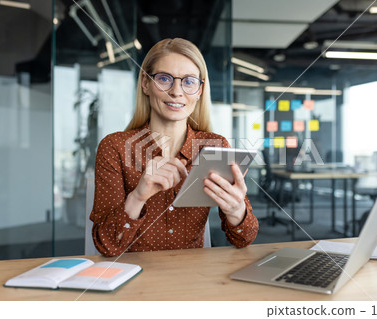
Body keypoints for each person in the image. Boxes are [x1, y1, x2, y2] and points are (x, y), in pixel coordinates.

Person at [90, 38, 259, 257]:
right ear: (145, 83)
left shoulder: (214, 146)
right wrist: (138, 196)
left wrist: (236, 209)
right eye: (164, 79)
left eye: (189, 81)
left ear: (200, 90)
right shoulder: (115, 147)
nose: (177, 92)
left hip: (191, 278)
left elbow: (244, 238)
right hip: (130, 277)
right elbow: (106, 246)